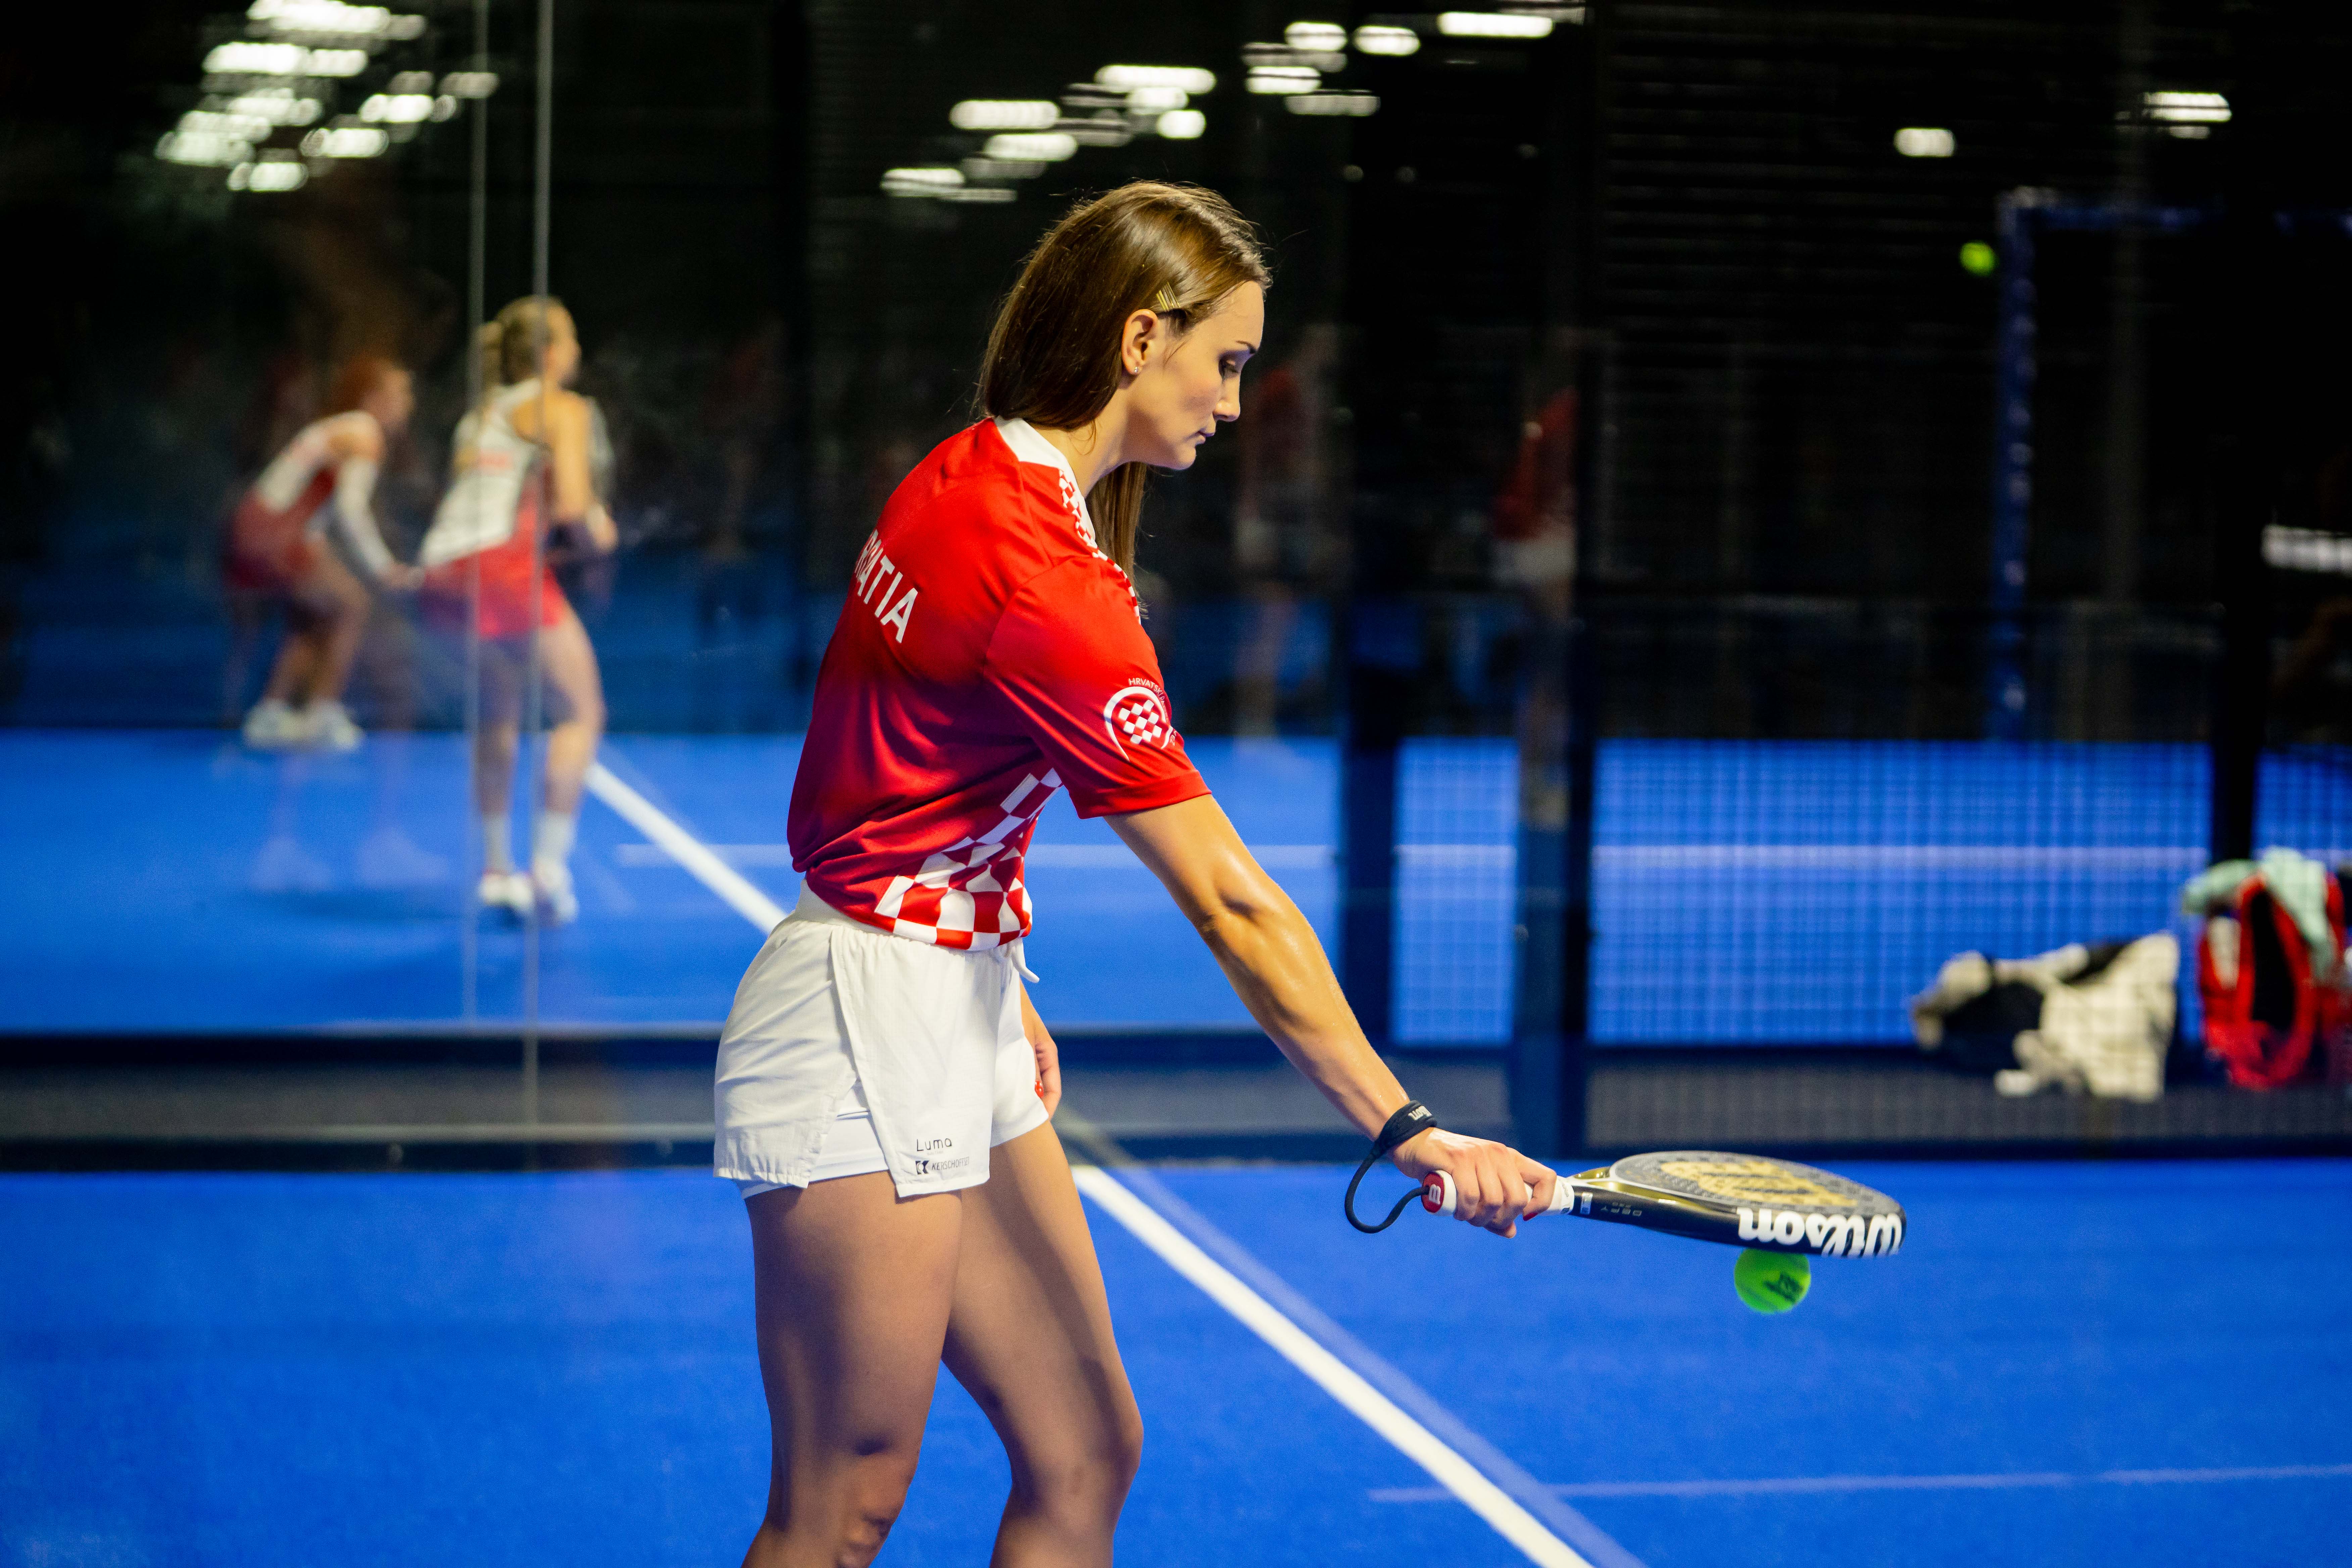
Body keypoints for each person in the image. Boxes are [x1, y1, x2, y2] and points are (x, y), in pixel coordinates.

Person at [714, 182, 1559, 1568]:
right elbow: (1230, 902)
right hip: (863, 1022)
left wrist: (989, 966)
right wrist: (1407, 1127)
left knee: (1083, 1451)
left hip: (943, 991)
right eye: (1225, 360)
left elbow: (903, 769)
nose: (1232, 400)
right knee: (840, 1507)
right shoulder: (1053, 582)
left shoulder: (963, 472)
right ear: (1138, 337)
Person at [418, 297, 617, 924]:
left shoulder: (479, 414)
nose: (578, 352)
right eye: (574, 340)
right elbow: (574, 510)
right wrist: (603, 537)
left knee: (497, 715)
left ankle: (495, 870)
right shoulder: (563, 407)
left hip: (443, 575)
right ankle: (547, 875)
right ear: (553, 352)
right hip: (502, 570)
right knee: (581, 714)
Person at [227, 354, 422, 751]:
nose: (409, 403)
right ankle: (322, 713)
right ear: (374, 398)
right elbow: (351, 510)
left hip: (256, 527)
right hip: (274, 533)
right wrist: (384, 568)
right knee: (352, 604)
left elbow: (306, 502)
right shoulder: (364, 433)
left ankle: (271, 713)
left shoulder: (340, 428)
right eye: (401, 393)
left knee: (314, 615)